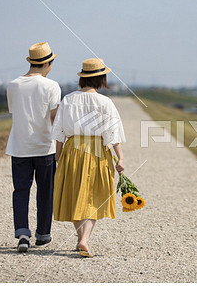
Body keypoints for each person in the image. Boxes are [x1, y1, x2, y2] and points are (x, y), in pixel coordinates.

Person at [51, 58, 125, 257]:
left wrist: (58, 156)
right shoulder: (105, 102)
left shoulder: (68, 99)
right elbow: (113, 134)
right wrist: (120, 159)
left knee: (75, 194)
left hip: (72, 149)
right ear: (101, 79)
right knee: (94, 196)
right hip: (97, 150)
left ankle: (79, 238)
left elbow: (59, 132)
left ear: (82, 78)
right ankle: (84, 239)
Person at [6, 42, 61, 252]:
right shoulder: (52, 86)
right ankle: (43, 234)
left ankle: (22, 233)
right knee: (45, 191)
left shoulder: (13, 84)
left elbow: (15, 111)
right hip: (45, 147)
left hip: (19, 146)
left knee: (21, 190)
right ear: (47, 63)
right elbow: (54, 117)